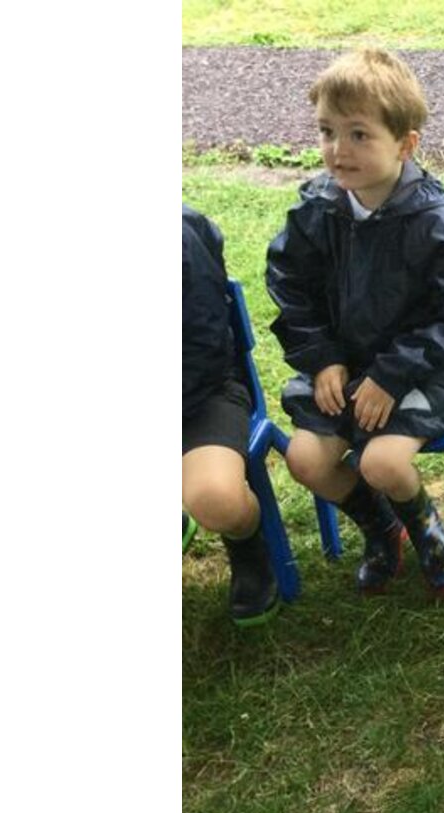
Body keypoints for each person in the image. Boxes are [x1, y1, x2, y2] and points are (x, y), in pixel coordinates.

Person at [267, 47, 444, 598]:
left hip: (425, 373)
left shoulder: (433, 221)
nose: (338, 149)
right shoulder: (316, 210)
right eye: (327, 131)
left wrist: (394, 374)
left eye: (358, 134)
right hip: (345, 370)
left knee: (382, 463)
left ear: (405, 144)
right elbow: (290, 285)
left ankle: (424, 524)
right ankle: (382, 527)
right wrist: (322, 358)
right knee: (305, 460)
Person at [182, 204, 277, 626]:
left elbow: (204, 349)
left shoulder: (180, 239)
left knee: (216, 499)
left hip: (202, 395)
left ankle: (246, 543)